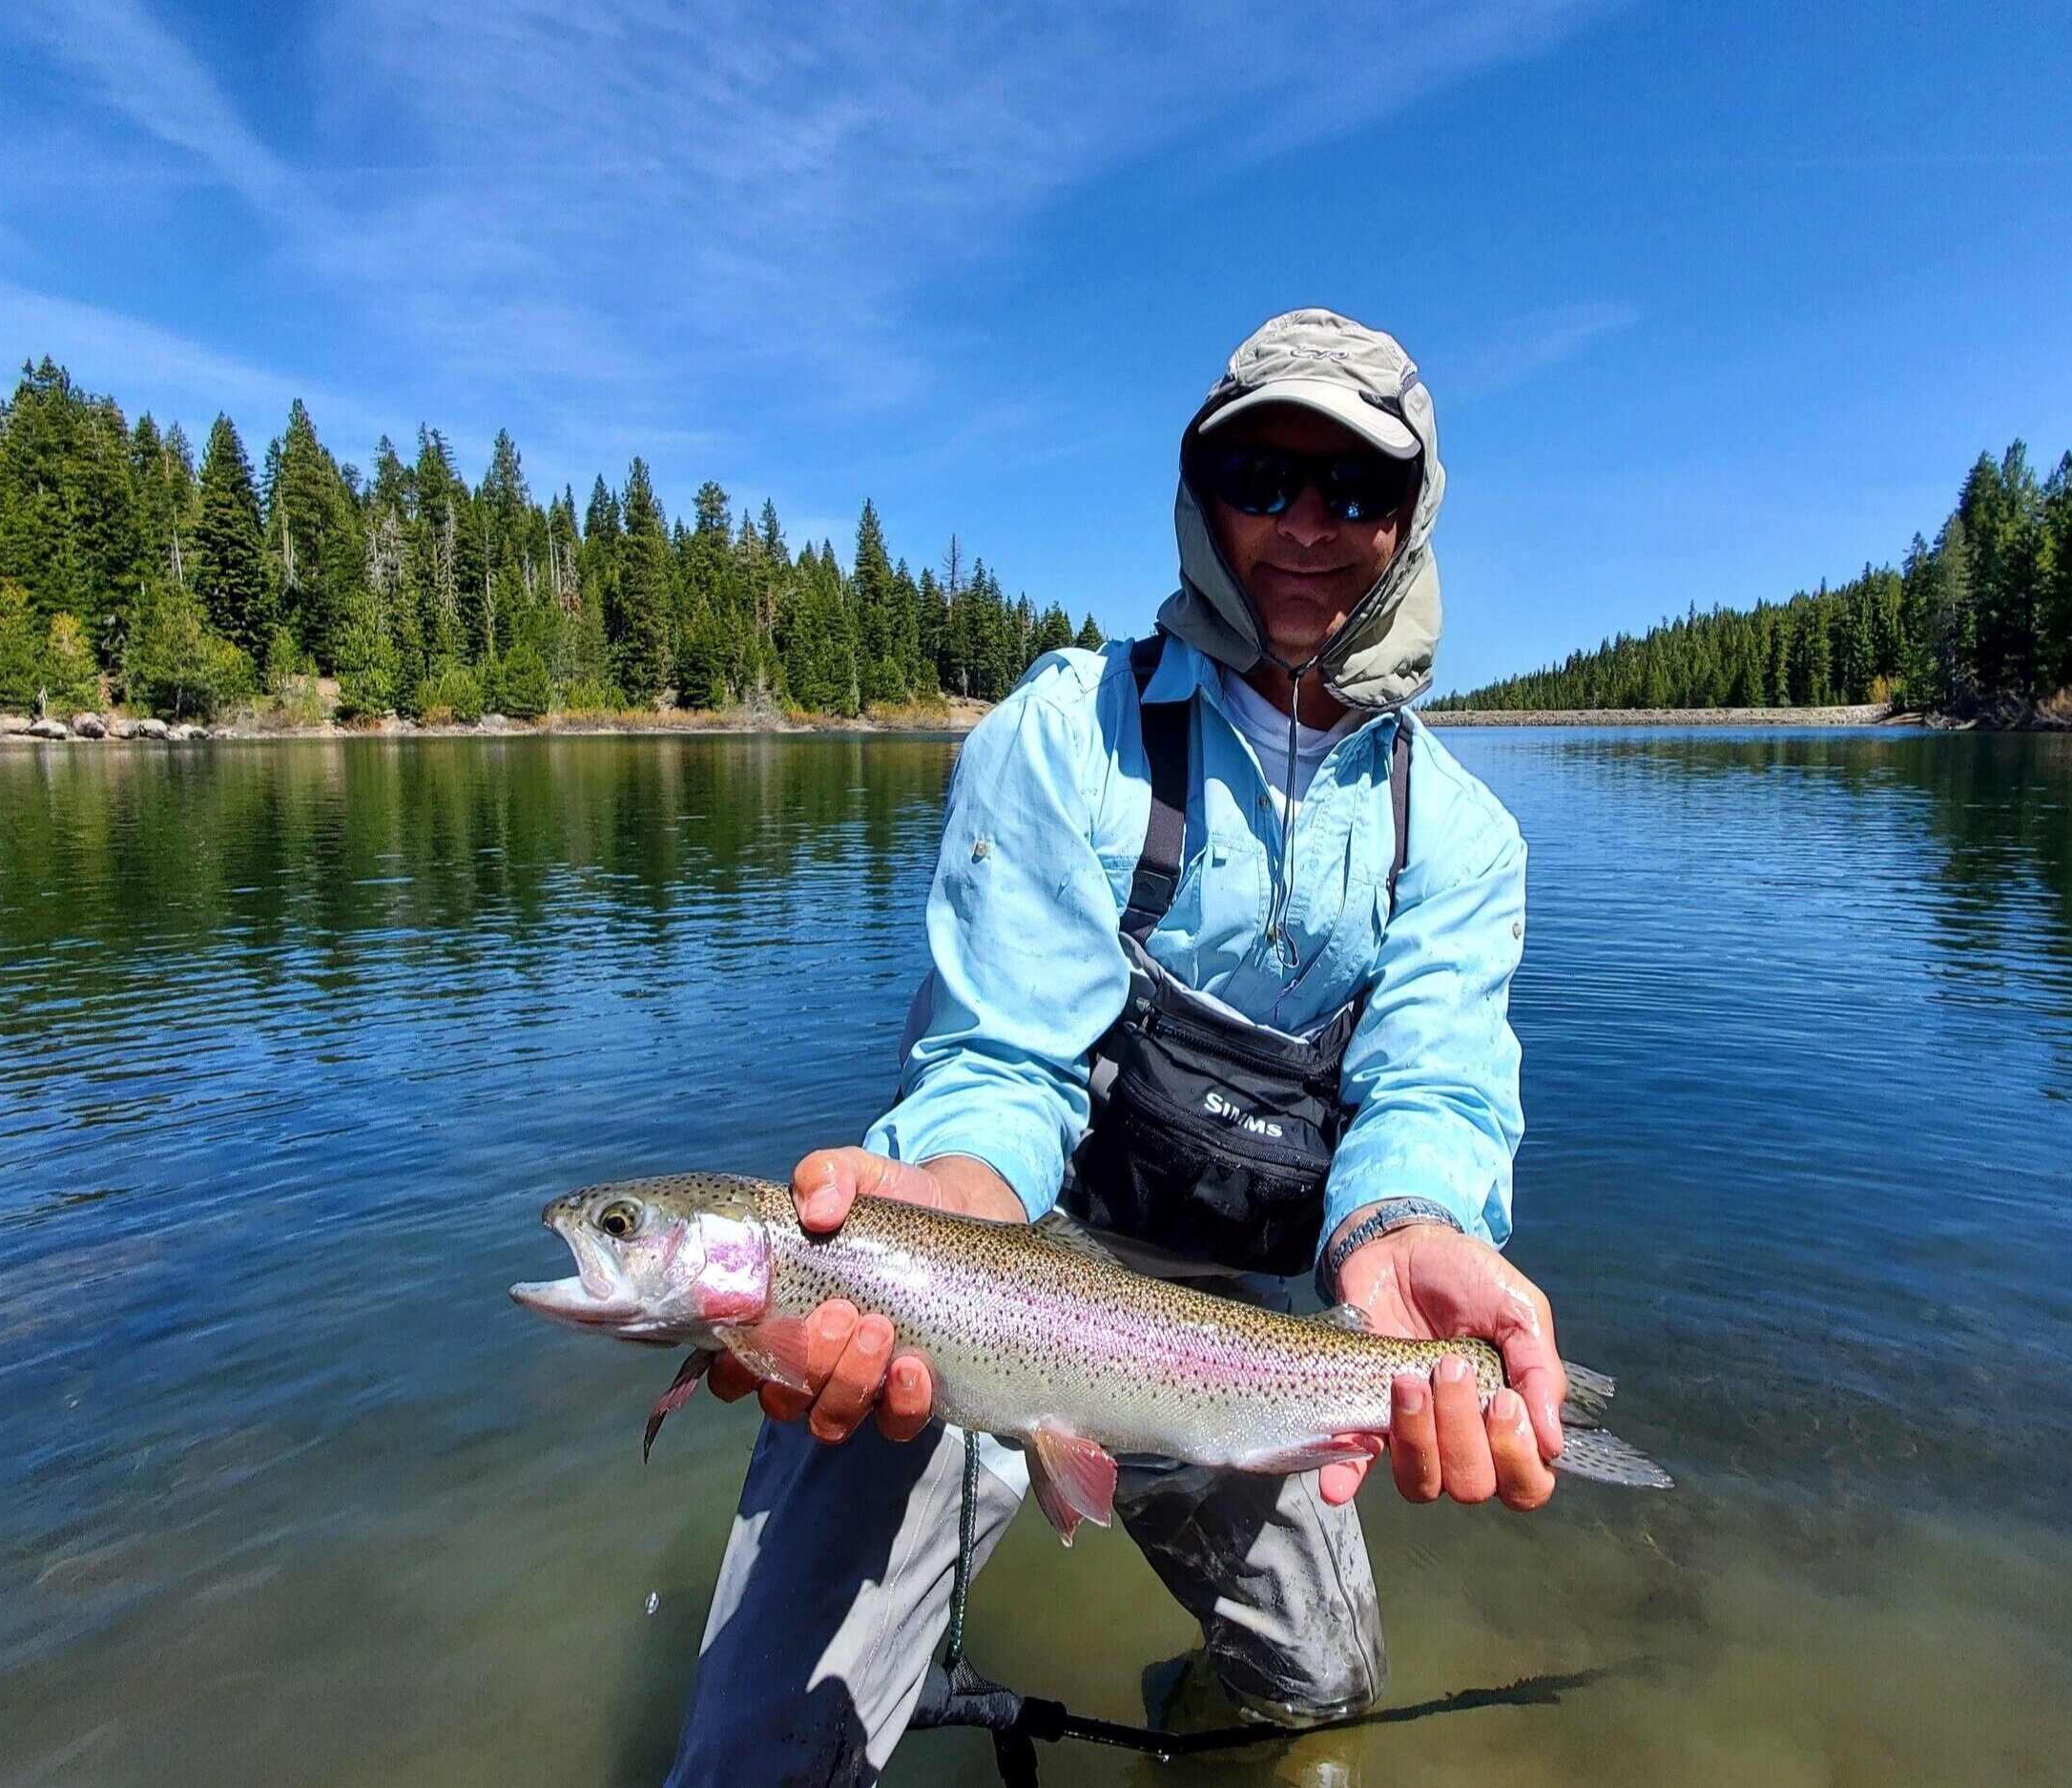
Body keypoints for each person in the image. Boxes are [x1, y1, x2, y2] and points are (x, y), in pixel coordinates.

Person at [664, 310, 1564, 1787]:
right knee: (759, 1766)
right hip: (964, 1292)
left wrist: (1407, 1223)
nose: (1305, 526)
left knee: (1318, 1692)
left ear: (1411, 520)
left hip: (1228, 1340)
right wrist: (946, 1192)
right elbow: (1001, 1064)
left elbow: (1435, 1087)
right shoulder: (1061, 734)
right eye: (1265, 473)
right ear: (1204, 494)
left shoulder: (1460, 840)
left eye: (1357, 491)